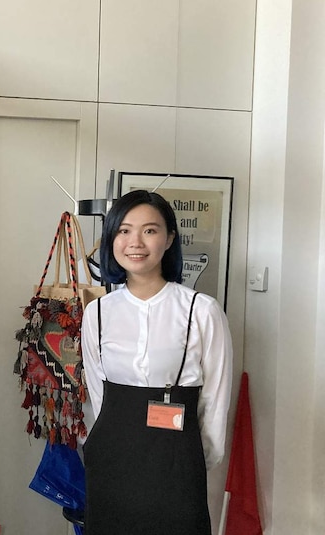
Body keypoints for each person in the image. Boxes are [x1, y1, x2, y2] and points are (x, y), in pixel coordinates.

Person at [80, 189, 233, 535]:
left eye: (149, 230)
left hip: (176, 464)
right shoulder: (98, 312)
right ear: (111, 239)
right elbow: (99, 396)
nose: (135, 242)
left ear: (169, 239)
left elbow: (215, 400)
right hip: (112, 461)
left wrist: (195, 461)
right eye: (124, 230)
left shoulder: (201, 311)